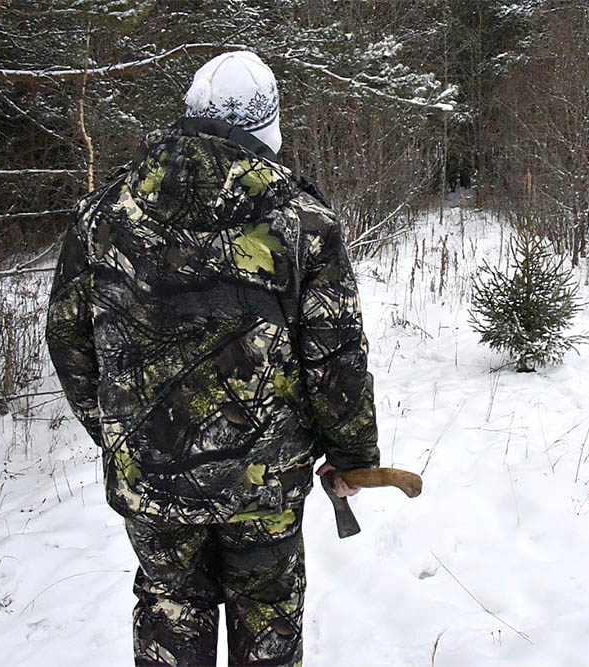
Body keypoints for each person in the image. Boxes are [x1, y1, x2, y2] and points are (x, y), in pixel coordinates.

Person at [46, 51, 380, 667]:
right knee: (269, 623)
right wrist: (352, 453)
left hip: (152, 477)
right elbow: (334, 354)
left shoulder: (103, 213)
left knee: (171, 616)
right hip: (264, 482)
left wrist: (121, 430)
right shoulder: (303, 220)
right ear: (268, 125)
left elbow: (69, 341)